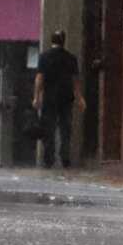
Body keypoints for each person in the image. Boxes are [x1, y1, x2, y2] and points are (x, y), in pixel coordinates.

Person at [33, 30, 86, 168]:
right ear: (64, 41)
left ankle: (48, 159)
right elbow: (75, 80)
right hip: (66, 97)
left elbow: (39, 79)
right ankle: (65, 158)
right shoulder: (70, 58)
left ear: (52, 41)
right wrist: (79, 97)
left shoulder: (44, 57)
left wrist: (37, 97)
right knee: (65, 129)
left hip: (49, 98)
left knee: (48, 129)